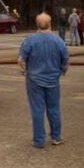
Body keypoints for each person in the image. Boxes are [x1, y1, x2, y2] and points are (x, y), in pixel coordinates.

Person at [18, 13, 69, 149]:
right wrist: (62, 71)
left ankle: (39, 140)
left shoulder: (30, 40)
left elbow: (21, 60)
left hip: (34, 79)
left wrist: (25, 72)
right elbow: (65, 59)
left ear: (37, 24)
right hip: (53, 79)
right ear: (50, 23)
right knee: (54, 109)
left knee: (37, 110)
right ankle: (56, 137)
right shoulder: (58, 41)